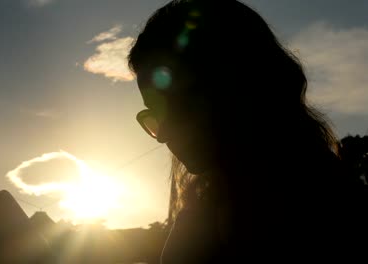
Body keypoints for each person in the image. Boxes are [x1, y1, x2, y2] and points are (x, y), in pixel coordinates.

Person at [128, 0, 368, 262]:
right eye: (156, 113)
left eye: (176, 104)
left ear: (240, 85)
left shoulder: (327, 208)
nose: (162, 135)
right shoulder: (206, 206)